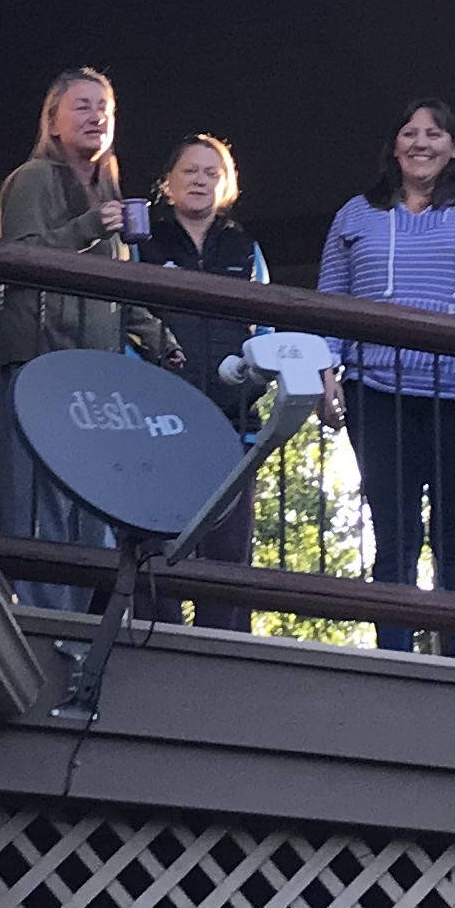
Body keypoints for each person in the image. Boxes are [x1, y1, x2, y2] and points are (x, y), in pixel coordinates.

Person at [316, 98, 455, 659]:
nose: (421, 143)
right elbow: (330, 299)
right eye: (409, 133)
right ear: (394, 146)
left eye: (435, 134)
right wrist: (326, 372)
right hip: (375, 390)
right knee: (395, 535)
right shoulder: (356, 214)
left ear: (454, 147)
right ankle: (394, 661)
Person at [0, 67, 169, 614]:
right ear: (53, 122)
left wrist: (159, 337)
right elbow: (21, 257)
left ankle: (77, 619)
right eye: (82, 106)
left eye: (104, 108)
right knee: (37, 498)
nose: (97, 117)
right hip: (38, 359)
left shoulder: (108, 194)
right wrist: (90, 227)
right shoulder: (33, 178)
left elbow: (119, 288)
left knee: (90, 496)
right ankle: (43, 616)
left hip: (93, 371)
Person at [132, 133, 273, 631]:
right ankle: (157, 641)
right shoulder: (143, 244)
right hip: (158, 420)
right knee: (156, 541)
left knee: (229, 553)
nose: (200, 180)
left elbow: (267, 326)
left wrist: (257, 380)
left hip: (233, 422)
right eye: (189, 171)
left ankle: (226, 649)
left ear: (226, 184)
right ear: (168, 183)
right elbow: (127, 318)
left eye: (212, 173)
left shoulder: (245, 247)